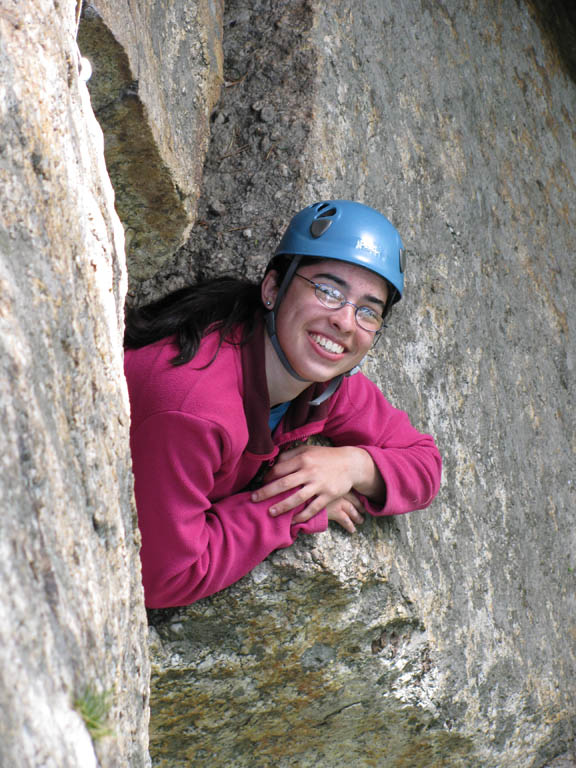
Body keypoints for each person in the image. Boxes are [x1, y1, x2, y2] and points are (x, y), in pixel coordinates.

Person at [124, 200, 442, 608]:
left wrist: (351, 466)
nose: (345, 322)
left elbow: (425, 462)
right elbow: (163, 578)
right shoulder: (194, 406)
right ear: (273, 287)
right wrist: (292, 505)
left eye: (368, 312)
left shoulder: (323, 384)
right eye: (328, 291)